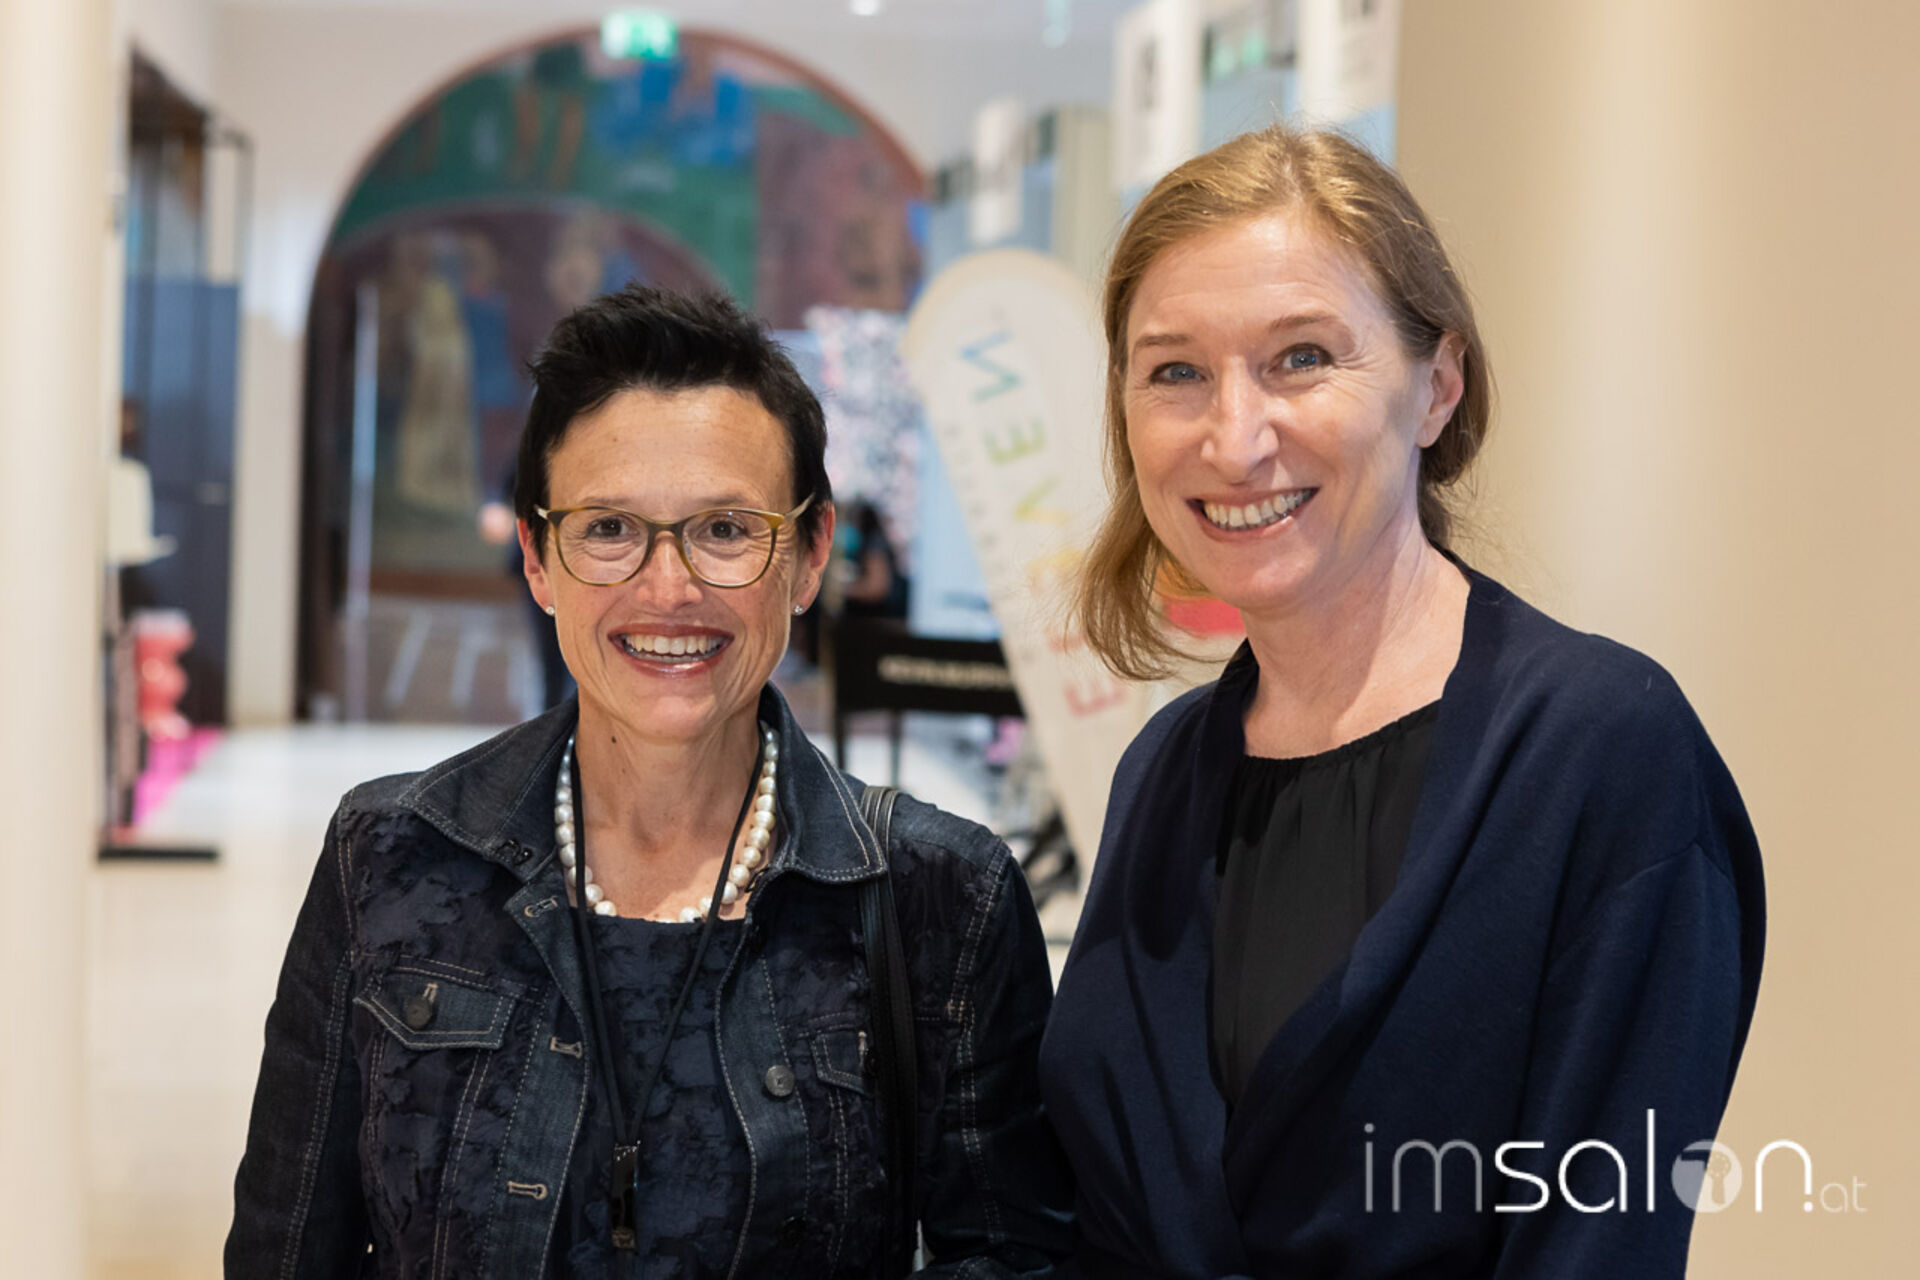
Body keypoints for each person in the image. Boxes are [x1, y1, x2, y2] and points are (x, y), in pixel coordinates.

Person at [228, 285, 1072, 1277]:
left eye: (726, 529)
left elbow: (1011, 1259)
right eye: (608, 529)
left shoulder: (945, 896)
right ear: (539, 559)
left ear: (809, 555)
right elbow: (289, 1249)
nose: (668, 588)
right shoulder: (391, 855)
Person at [1038, 126, 1764, 1278]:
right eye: (1176, 371)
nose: (1235, 435)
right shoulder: (1162, 770)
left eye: (1302, 357)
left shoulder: (1601, 754)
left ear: (1438, 386)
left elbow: (1599, 1243)